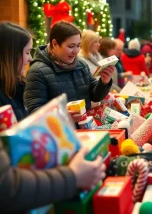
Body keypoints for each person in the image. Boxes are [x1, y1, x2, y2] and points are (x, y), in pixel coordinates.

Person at [0, 22, 106, 212]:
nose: (29, 59)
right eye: (26, 53)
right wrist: (71, 176)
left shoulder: (15, 87)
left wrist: (105, 83)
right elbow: (8, 186)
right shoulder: (36, 73)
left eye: (77, 46)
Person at [24, 21, 114, 121]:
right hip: (59, 133)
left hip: (85, 129)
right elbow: (34, 111)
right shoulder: (37, 71)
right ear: (55, 44)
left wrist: (104, 82)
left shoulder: (81, 65)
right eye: (71, 46)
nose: (76, 51)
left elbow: (95, 96)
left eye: (78, 45)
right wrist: (62, 115)